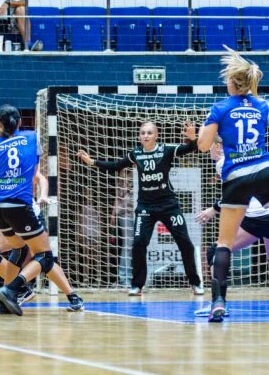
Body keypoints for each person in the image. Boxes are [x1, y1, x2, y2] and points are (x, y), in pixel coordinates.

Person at [0, 105, 84, 316]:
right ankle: (12, 289)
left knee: (18, 250)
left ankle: (7, 301)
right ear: (19, 122)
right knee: (44, 256)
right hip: (21, 206)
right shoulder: (31, 137)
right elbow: (34, 168)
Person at [77, 121, 204, 297]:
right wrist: (92, 162)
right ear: (139, 136)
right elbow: (116, 166)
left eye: (149, 132)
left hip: (169, 205)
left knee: (185, 243)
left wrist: (192, 139)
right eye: (143, 133)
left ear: (156, 135)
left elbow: (189, 149)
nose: (146, 135)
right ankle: (137, 285)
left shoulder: (165, 150)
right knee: (138, 244)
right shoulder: (135, 154)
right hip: (146, 207)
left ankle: (195, 282)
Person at [197, 47, 269, 322]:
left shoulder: (221, 107)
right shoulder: (263, 105)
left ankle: (218, 302)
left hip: (237, 176)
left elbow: (203, 146)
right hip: (265, 170)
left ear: (231, 82)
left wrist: (206, 131)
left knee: (223, 243)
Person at [194, 138, 269, 317]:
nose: (207, 150)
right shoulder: (248, 158)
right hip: (260, 216)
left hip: (256, 220)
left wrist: (213, 209)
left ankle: (218, 302)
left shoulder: (223, 163)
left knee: (216, 250)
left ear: (219, 147)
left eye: (209, 146)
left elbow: (236, 193)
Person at [110, 169, 134, 287]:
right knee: (128, 244)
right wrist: (113, 214)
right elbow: (119, 195)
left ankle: (139, 276)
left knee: (140, 245)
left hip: (143, 212)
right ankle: (124, 278)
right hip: (126, 213)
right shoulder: (124, 172)